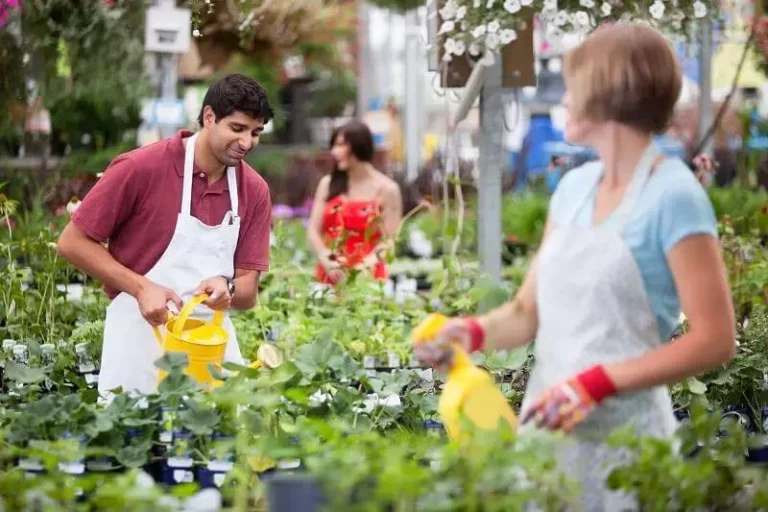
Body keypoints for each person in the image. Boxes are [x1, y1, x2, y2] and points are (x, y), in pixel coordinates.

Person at [416, 23, 735, 510]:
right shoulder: (574, 188)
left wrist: (597, 383)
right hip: (547, 436)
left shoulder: (674, 196)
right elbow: (526, 313)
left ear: (610, 92)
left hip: (627, 447)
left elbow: (715, 339)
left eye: (573, 86)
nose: (564, 99)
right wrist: (470, 333)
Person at [57, 74, 274, 396]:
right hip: (139, 341)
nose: (246, 142)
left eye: (255, 133)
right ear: (209, 117)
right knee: (132, 425)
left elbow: (248, 292)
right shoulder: (140, 168)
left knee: (214, 427)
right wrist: (142, 288)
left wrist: (227, 287)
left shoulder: (254, 191)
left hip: (208, 348)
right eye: (237, 128)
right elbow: (71, 242)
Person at [307, 120, 402, 285]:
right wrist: (325, 258)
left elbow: (388, 241)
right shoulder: (328, 184)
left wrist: (363, 268)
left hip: (367, 279)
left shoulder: (387, 189)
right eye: (334, 145)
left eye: (341, 145)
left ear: (360, 145)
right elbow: (313, 231)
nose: (335, 152)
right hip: (330, 274)